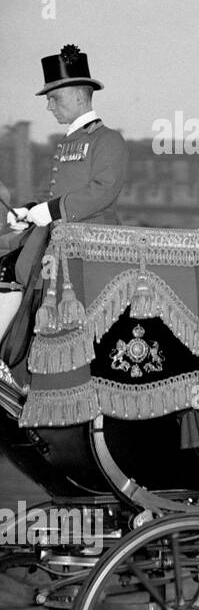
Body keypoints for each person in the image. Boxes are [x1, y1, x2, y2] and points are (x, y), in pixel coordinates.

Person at [1, 45, 128, 373]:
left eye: (53, 98)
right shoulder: (68, 143)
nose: (48, 106)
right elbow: (56, 195)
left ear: (76, 96)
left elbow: (103, 191)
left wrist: (53, 210)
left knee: (12, 270)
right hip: (58, 244)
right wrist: (29, 212)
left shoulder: (107, 140)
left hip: (90, 250)